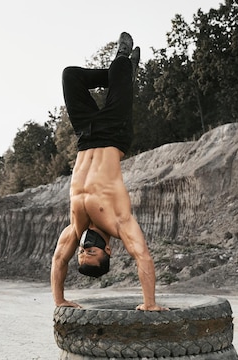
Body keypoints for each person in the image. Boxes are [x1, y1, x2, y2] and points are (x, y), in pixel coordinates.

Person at [50, 32, 168, 311]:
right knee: (119, 65)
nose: (83, 247)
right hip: (115, 133)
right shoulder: (119, 223)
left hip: (85, 136)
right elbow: (142, 256)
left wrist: (60, 300)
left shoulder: (74, 227)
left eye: (81, 252)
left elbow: (58, 261)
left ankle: (124, 78)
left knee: (71, 76)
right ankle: (123, 72)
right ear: (108, 250)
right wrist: (149, 303)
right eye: (90, 251)